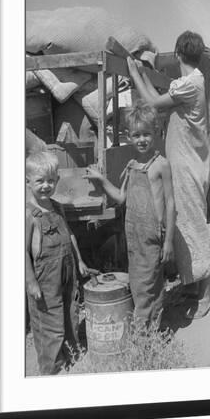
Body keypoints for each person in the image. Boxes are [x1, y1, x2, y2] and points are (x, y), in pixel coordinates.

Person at [126, 31, 210, 319]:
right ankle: (191, 287)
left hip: (188, 166)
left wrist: (135, 73)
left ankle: (207, 296)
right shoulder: (193, 82)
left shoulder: (190, 83)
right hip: (184, 164)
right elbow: (159, 99)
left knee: (194, 226)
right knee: (181, 226)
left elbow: (151, 102)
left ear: (177, 54)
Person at [85, 102, 175, 325]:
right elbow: (121, 198)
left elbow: (171, 203)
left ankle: (145, 334)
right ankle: (154, 328)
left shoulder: (161, 165)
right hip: (133, 235)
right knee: (141, 283)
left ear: (156, 132)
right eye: (136, 135)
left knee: (146, 283)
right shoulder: (132, 165)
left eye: (146, 134)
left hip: (152, 233)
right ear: (128, 137)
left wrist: (169, 241)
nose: (142, 139)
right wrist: (101, 180)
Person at [26, 151, 89, 375]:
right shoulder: (28, 214)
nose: (46, 186)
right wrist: (31, 282)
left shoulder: (57, 207)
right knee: (49, 321)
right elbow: (21, 251)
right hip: (44, 277)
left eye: (51, 181)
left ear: (57, 181)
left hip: (67, 269)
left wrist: (79, 260)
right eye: (40, 181)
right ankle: (51, 368)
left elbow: (70, 234)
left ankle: (71, 354)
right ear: (27, 181)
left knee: (70, 311)